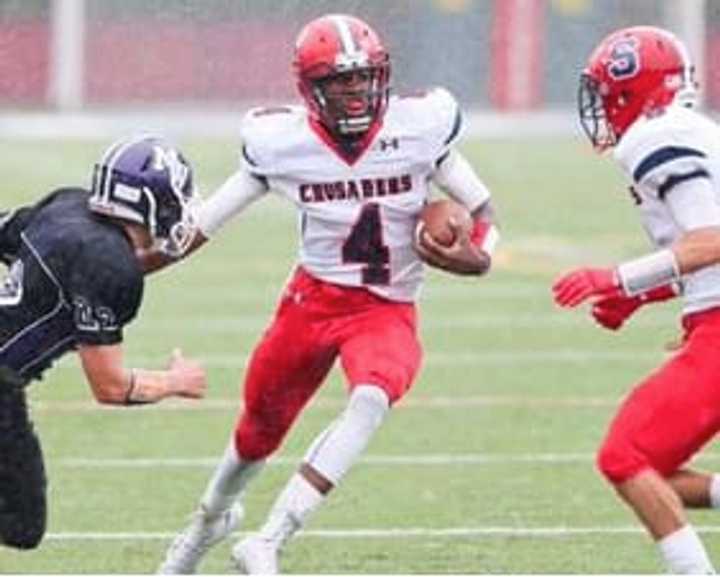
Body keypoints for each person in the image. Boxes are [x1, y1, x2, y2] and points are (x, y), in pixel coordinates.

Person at [157, 13, 499, 575]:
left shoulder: (419, 128)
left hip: (386, 307)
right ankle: (208, 521)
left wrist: (478, 256)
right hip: (312, 301)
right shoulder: (280, 142)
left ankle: (269, 538)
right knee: (257, 430)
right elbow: (204, 223)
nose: (356, 88)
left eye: (364, 76)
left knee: (372, 396)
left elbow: (484, 211)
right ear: (311, 88)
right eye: (340, 80)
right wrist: (137, 265)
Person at [553, 25, 720, 574]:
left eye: (607, 94)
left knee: (624, 456)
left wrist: (618, 279)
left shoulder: (657, 135)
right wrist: (644, 294)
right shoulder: (687, 129)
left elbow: (712, 239)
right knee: (656, 470)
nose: (602, 108)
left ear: (633, 90)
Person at [0, 134, 207, 551]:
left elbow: (84, 275)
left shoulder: (67, 206)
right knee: (20, 523)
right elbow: (110, 387)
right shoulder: (108, 264)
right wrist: (175, 382)